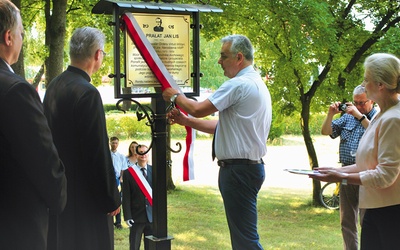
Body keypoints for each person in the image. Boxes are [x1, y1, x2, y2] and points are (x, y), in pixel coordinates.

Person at [162, 34, 272, 250]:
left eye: (223, 56)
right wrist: (185, 120)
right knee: (243, 238)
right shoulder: (255, 83)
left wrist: (175, 96)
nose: (219, 61)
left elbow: (198, 109)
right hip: (247, 169)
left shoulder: (238, 84)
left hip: (238, 171)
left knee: (246, 242)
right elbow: (220, 125)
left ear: (239, 57)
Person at [309, 53, 400, 250]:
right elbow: (364, 165)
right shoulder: (382, 115)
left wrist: (342, 178)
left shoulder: (393, 118)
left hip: (390, 214)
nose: (364, 84)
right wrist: (337, 171)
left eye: (367, 79)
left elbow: (386, 175)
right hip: (376, 209)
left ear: (380, 85)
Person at [43, 27, 121, 250]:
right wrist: (111, 198)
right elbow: (96, 152)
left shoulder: (54, 85)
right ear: (98, 55)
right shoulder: (87, 93)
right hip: (86, 200)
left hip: (60, 192)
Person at [0, 1, 67, 249]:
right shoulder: (16, 91)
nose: (22, 37)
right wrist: (59, 198)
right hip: (14, 226)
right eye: (21, 32)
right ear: (8, 37)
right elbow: (44, 161)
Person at [321, 85, 377, 250]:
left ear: (372, 100)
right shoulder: (347, 117)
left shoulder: (377, 117)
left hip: (366, 174)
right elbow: (326, 131)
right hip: (345, 173)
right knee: (347, 220)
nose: (358, 106)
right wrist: (331, 114)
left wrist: (359, 116)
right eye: (355, 102)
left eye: (362, 102)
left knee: (366, 220)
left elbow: (375, 133)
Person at [122, 144, 153, 250]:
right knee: (134, 246)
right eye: (140, 152)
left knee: (151, 246)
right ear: (135, 154)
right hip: (136, 216)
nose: (143, 154)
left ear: (148, 154)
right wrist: (127, 216)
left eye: (145, 152)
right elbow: (126, 196)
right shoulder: (128, 173)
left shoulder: (155, 171)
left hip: (152, 217)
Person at [110, 136, 128, 229]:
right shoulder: (107, 155)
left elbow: (123, 169)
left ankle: (118, 222)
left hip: (117, 179)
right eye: (113, 143)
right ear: (110, 143)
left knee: (118, 199)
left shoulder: (121, 156)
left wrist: (121, 178)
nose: (114, 145)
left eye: (116, 143)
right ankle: (110, 220)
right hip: (109, 179)